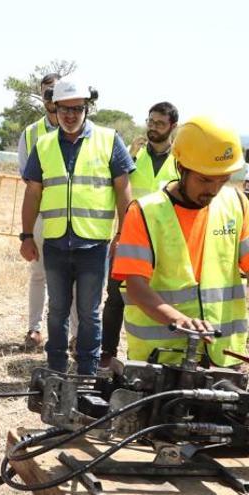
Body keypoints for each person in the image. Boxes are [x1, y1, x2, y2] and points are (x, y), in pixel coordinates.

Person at [112, 116, 248, 367]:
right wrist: (181, 320)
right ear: (181, 166)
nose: (214, 189)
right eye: (205, 179)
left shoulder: (236, 204)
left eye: (223, 179)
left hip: (223, 356)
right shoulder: (145, 212)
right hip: (161, 358)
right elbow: (136, 287)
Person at [19, 78, 134, 375]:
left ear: (87, 108)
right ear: (54, 108)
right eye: (64, 109)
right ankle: (56, 369)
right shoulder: (43, 145)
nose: (70, 115)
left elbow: (123, 190)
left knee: (89, 314)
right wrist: (27, 235)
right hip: (55, 243)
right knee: (56, 312)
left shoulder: (109, 140)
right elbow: (33, 192)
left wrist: (123, 234)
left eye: (77, 109)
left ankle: (87, 372)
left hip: (93, 245)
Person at [100, 102, 179, 368]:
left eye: (160, 123)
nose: (153, 127)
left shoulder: (181, 161)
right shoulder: (133, 156)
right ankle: (107, 353)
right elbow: (119, 189)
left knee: (158, 299)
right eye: (151, 121)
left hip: (165, 243)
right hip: (130, 237)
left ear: (172, 127)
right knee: (115, 298)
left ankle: (155, 358)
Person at [17, 73, 78, 349]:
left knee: (76, 279)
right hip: (43, 215)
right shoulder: (30, 134)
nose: (51, 98)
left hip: (76, 217)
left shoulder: (81, 128)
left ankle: (77, 336)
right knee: (39, 274)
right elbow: (28, 179)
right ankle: (34, 329)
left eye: (55, 92)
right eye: (46, 93)